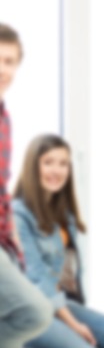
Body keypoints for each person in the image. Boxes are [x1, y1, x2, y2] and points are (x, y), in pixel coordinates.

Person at [12, 134, 104, 348]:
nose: (57, 170)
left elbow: (68, 277)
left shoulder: (63, 216)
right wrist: (74, 325)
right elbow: (39, 280)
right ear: (33, 167)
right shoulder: (19, 216)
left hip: (57, 305)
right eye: (48, 162)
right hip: (25, 310)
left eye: (63, 163)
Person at [0, 23, 52, 348]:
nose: (4, 69)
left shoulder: (4, 118)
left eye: (9, 61)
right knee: (33, 313)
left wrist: (13, 244)